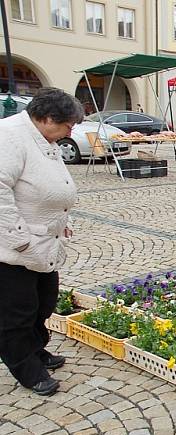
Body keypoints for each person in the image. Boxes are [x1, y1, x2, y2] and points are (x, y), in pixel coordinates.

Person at [0, 87, 84, 396]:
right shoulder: (9, 136)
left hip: (44, 242)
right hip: (13, 248)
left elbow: (54, 186)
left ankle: (36, 349)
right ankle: (25, 366)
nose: (70, 131)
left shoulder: (44, 139)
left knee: (44, 302)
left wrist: (64, 220)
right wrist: (20, 240)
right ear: (47, 118)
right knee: (18, 310)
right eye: (67, 125)